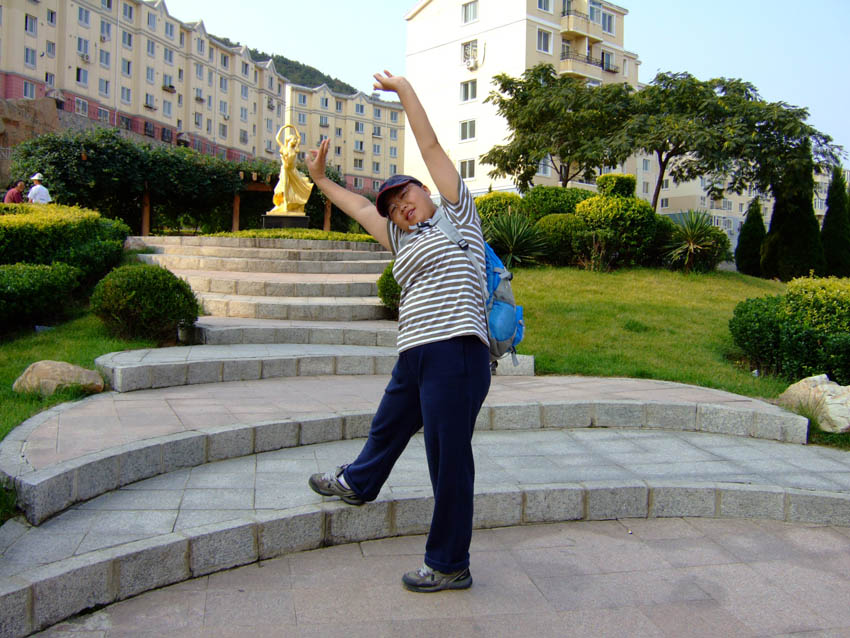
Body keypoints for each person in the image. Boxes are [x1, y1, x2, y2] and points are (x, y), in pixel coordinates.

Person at [305, 70, 491, 593]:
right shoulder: (401, 238)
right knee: (387, 426)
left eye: (405, 195)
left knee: (447, 459)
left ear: (425, 191)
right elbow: (361, 207)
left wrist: (405, 91)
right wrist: (320, 181)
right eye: (392, 207)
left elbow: (429, 146)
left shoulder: (458, 216)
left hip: (456, 350)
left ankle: (450, 563)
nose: (398, 207)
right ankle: (358, 482)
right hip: (416, 354)